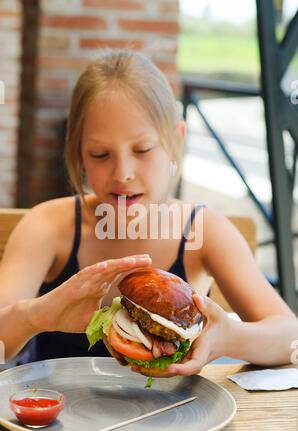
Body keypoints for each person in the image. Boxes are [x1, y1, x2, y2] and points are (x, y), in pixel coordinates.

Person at [0, 49, 297, 376]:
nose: (122, 172)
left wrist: (228, 337)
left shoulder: (205, 231)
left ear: (176, 140)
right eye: (100, 154)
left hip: (177, 421)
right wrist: (37, 315)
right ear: (78, 153)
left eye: (142, 150)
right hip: (54, 417)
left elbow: (289, 335)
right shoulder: (47, 225)